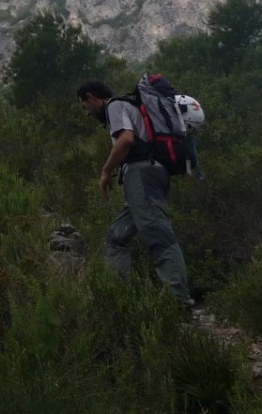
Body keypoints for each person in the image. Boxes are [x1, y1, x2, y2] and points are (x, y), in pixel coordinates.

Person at [76, 80, 193, 307]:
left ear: (91, 97)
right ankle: (120, 301)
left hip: (142, 175)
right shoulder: (129, 107)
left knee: (158, 235)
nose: (87, 114)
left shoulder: (114, 106)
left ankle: (178, 302)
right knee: (116, 238)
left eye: (84, 107)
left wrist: (106, 171)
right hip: (148, 176)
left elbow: (126, 139)